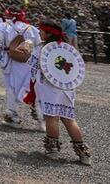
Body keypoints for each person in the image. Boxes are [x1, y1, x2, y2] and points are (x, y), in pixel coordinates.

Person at [31, 19, 92, 165]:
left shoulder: (41, 48)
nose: (39, 33)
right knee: (69, 119)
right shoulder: (67, 47)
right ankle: (83, 154)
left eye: (41, 31)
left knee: (51, 116)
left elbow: (33, 68)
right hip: (67, 88)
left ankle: (53, 150)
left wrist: (27, 51)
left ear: (48, 33)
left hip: (49, 87)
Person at [0, 7, 42, 126]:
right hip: (28, 62)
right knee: (31, 86)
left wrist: (1, 57)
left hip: (10, 61)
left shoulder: (3, 27)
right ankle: (39, 112)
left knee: (11, 87)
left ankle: (12, 114)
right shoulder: (32, 29)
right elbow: (39, 46)